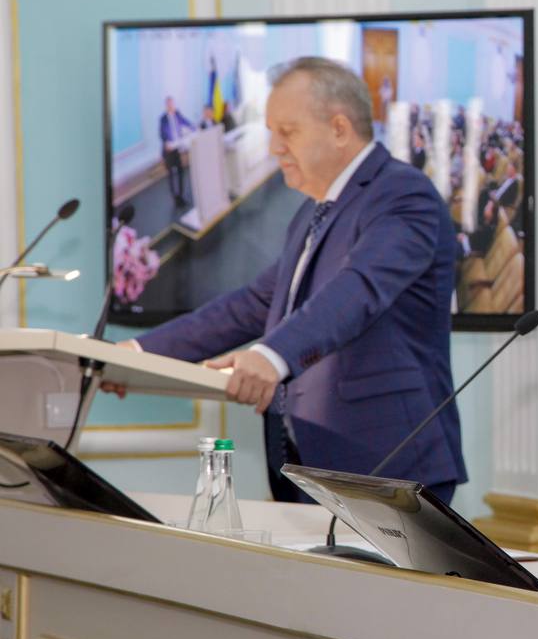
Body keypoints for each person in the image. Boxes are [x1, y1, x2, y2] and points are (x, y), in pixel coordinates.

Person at [122, 57, 466, 505]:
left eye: (287, 131)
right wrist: (136, 354)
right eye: (271, 132)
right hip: (307, 467)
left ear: (339, 129)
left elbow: (360, 287)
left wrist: (272, 355)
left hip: (386, 465)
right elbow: (255, 304)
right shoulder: (312, 211)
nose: (273, 148)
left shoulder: (403, 194)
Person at [158, 96, 195, 207]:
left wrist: (194, 128)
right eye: (169, 104)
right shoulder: (163, 119)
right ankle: (175, 197)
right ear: (166, 106)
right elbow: (162, 134)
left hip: (177, 149)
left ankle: (181, 195)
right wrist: (167, 142)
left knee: (180, 172)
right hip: (168, 151)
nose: (171, 106)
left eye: (172, 104)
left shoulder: (177, 114)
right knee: (171, 174)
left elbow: (185, 122)